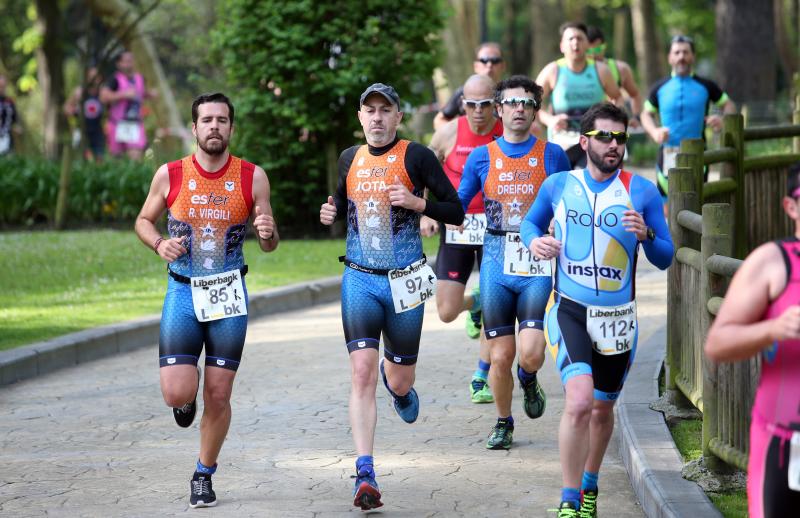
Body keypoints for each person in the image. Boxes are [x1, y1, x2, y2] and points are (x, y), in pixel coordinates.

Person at [521, 102, 673, 517]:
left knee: (603, 409)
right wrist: (535, 242)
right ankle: (569, 498)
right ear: (585, 141)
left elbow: (666, 257)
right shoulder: (558, 185)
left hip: (618, 320)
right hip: (569, 309)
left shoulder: (640, 190)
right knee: (579, 401)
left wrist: (648, 233)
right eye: (605, 136)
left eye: (620, 137)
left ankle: (589, 485)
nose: (614, 145)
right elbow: (529, 224)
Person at [319, 83, 464, 510]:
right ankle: (364, 473)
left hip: (404, 283)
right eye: (370, 111)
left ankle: (399, 388)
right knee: (361, 372)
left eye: (386, 111)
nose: (378, 118)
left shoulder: (417, 156)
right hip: (360, 279)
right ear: (360, 118)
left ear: (398, 118)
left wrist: (419, 205)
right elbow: (342, 208)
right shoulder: (350, 158)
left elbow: (455, 210)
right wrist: (329, 213)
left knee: (399, 378)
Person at [135, 92, 278, 508]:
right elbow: (143, 220)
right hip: (182, 290)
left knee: (219, 394)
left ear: (231, 128)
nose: (214, 126)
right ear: (194, 128)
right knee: (177, 394)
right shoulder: (170, 173)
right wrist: (159, 243)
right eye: (207, 120)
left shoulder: (253, 177)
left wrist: (267, 232)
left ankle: (204, 472)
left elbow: (268, 242)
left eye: (222, 120)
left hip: (228, 295)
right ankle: (185, 395)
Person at [459, 75, 571, 450]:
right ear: (499, 109)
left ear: (536, 110)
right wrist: (427, 211)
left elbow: (569, 204)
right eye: (511, 103)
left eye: (526, 103)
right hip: (494, 262)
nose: (519, 109)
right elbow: (459, 202)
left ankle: (529, 377)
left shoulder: (552, 155)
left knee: (532, 353)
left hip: (536, 264)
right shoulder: (482, 157)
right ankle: (504, 421)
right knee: (500, 355)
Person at [705, 162, 800, 518]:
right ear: (790, 207)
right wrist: (773, 329)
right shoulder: (772, 263)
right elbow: (717, 343)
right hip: (783, 442)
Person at [424, 74, 503, 404]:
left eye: (486, 104)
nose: (479, 111)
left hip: (497, 229)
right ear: (463, 105)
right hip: (457, 225)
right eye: (472, 105)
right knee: (446, 310)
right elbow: (424, 168)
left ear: (495, 103)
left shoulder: (507, 131)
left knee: (497, 307)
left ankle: (481, 376)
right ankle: (476, 302)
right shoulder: (449, 132)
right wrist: (428, 212)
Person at [640, 35, 736, 199]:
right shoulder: (659, 87)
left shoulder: (707, 85)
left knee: (696, 204)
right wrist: (654, 131)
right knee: (666, 208)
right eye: (676, 53)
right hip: (667, 154)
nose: (681, 57)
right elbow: (645, 114)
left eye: (685, 52)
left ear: (693, 56)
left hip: (698, 155)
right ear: (670, 58)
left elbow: (729, 105)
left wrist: (722, 121)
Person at [535, 22, 621, 169]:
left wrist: (612, 120)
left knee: (589, 180)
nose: (575, 43)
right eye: (571, 39)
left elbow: (617, 98)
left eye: (580, 39)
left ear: (587, 44)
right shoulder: (553, 70)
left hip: (594, 138)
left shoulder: (601, 70)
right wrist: (550, 120)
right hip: (562, 140)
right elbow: (533, 102)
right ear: (562, 45)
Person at [433, 42, 506, 130]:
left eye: (495, 60)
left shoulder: (511, 94)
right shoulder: (463, 92)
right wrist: (460, 133)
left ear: (503, 65)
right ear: (476, 66)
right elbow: (439, 121)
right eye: (484, 60)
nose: (489, 65)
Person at [100, 51, 158, 159]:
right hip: (117, 123)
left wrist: (150, 94)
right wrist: (123, 94)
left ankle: (134, 175)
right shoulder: (114, 79)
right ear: (119, 64)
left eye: (130, 61)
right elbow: (103, 97)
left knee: (135, 156)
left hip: (134, 123)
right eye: (125, 61)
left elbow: (141, 93)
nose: (128, 64)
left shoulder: (140, 78)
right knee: (117, 158)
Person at [585, 26, 643, 126]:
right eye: (589, 51)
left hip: (611, 125)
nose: (593, 54)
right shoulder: (574, 71)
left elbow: (635, 95)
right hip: (583, 123)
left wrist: (635, 117)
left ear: (604, 46)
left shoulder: (620, 69)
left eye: (597, 49)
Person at [64, 66, 105, 161]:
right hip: (82, 129)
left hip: (97, 130)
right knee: (82, 156)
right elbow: (66, 107)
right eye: (92, 77)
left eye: (97, 77)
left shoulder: (102, 92)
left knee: (99, 157)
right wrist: (73, 113)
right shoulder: (79, 92)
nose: (95, 80)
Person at [0, 74, 21, 156]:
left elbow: (15, 118)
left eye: (3, 86)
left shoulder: (10, 102)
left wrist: (17, 127)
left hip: (7, 137)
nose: (1, 89)